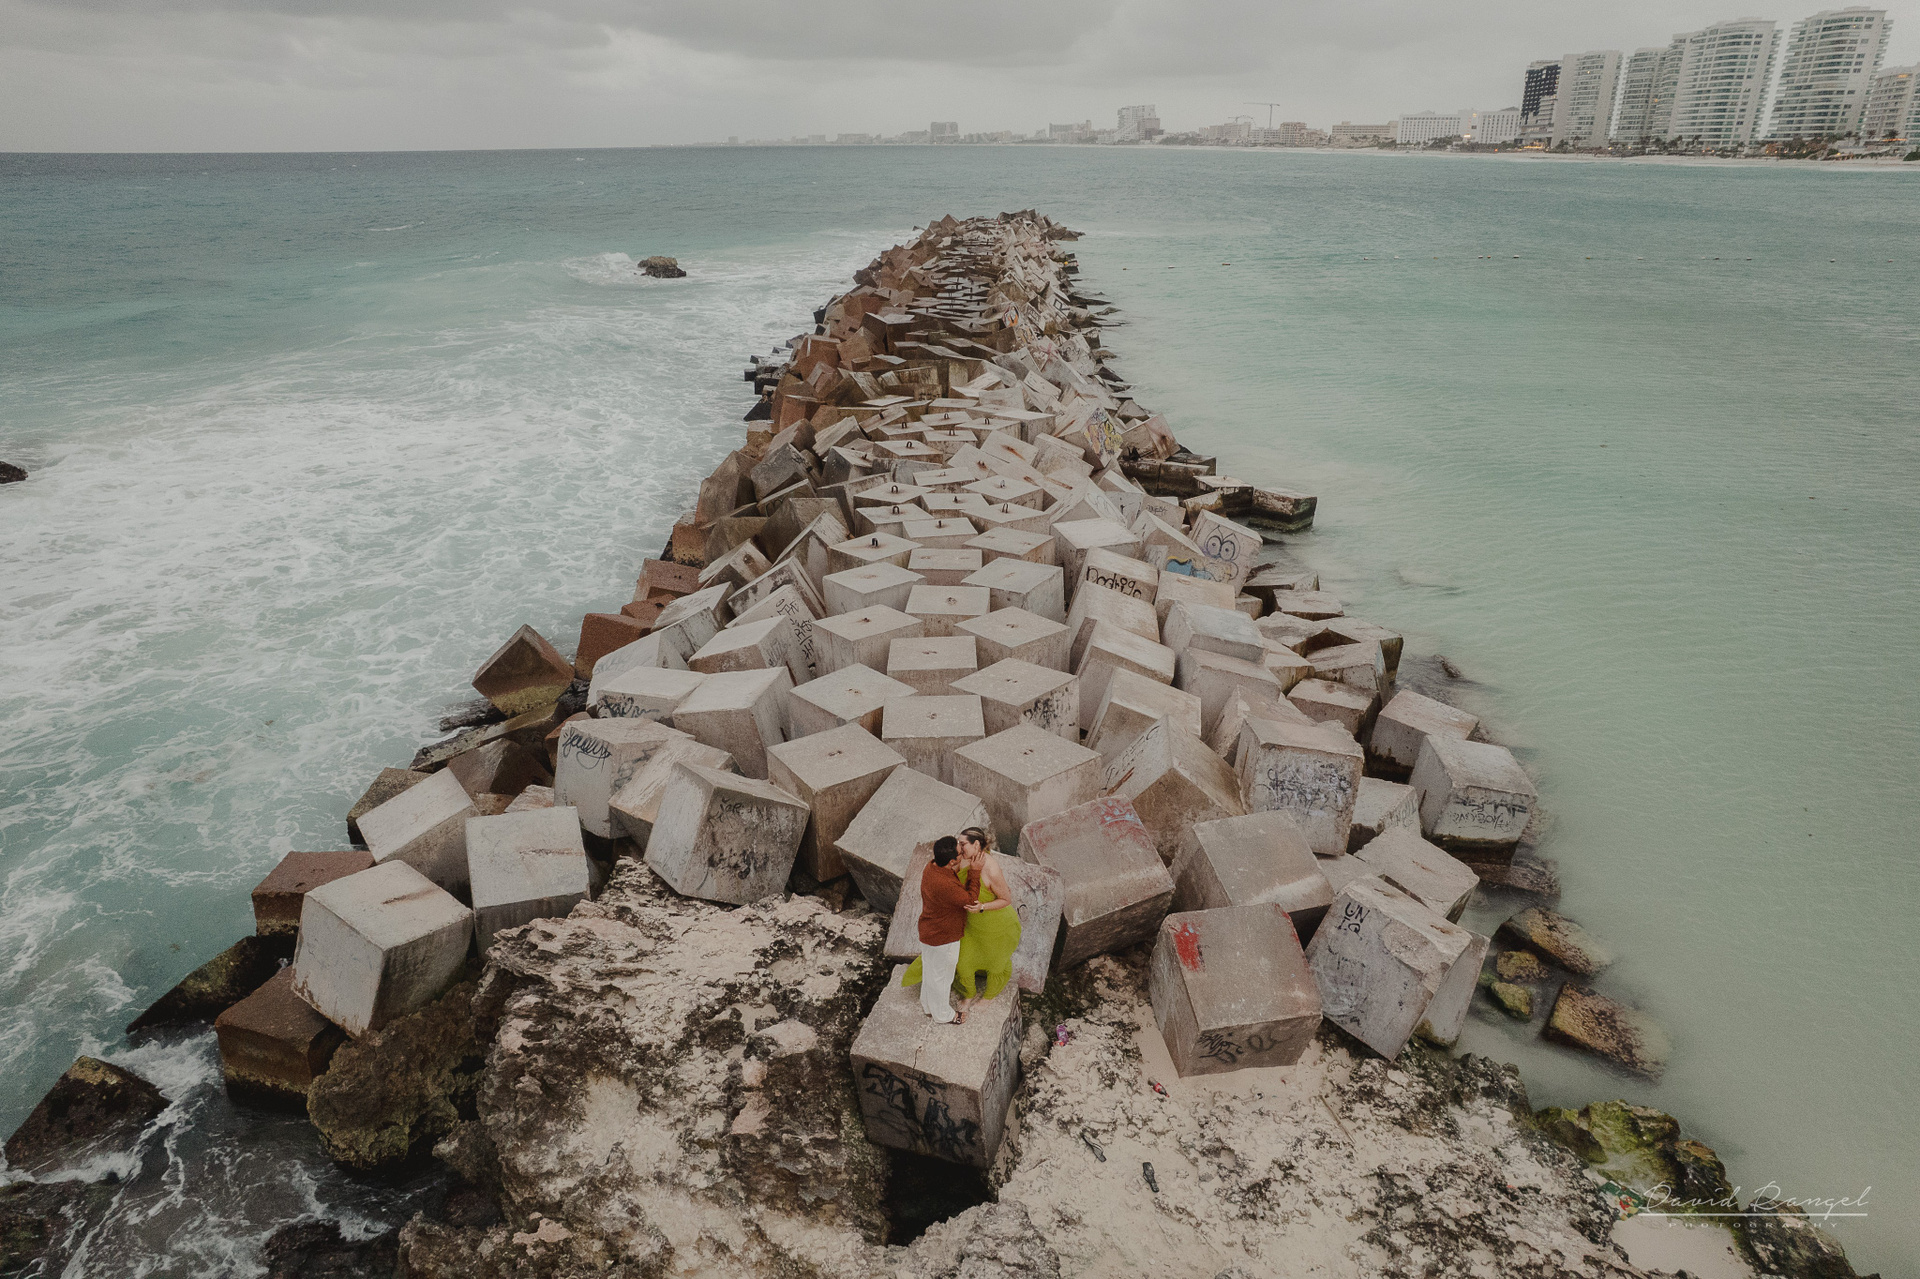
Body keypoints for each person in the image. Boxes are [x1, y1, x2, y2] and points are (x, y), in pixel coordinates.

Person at [952, 826, 1022, 1017]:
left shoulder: (991, 868)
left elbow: (1006, 899)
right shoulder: (963, 859)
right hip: (971, 927)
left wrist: (982, 906)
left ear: (976, 844)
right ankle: (968, 994)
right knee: (963, 962)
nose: (959, 847)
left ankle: (989, 997)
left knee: (995, 965)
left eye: (962, 844)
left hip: (997, 928)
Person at [902, 835, 971, 1023]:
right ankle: (944, 1015)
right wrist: (975, 873)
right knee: (943, 977)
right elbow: (969, 900)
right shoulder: (946, 884)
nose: (963, 851)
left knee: (931, 972)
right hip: (944, 936)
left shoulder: (931, 867)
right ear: (952, 861)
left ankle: (928, 1005)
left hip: (929, 931)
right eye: (960, 852)